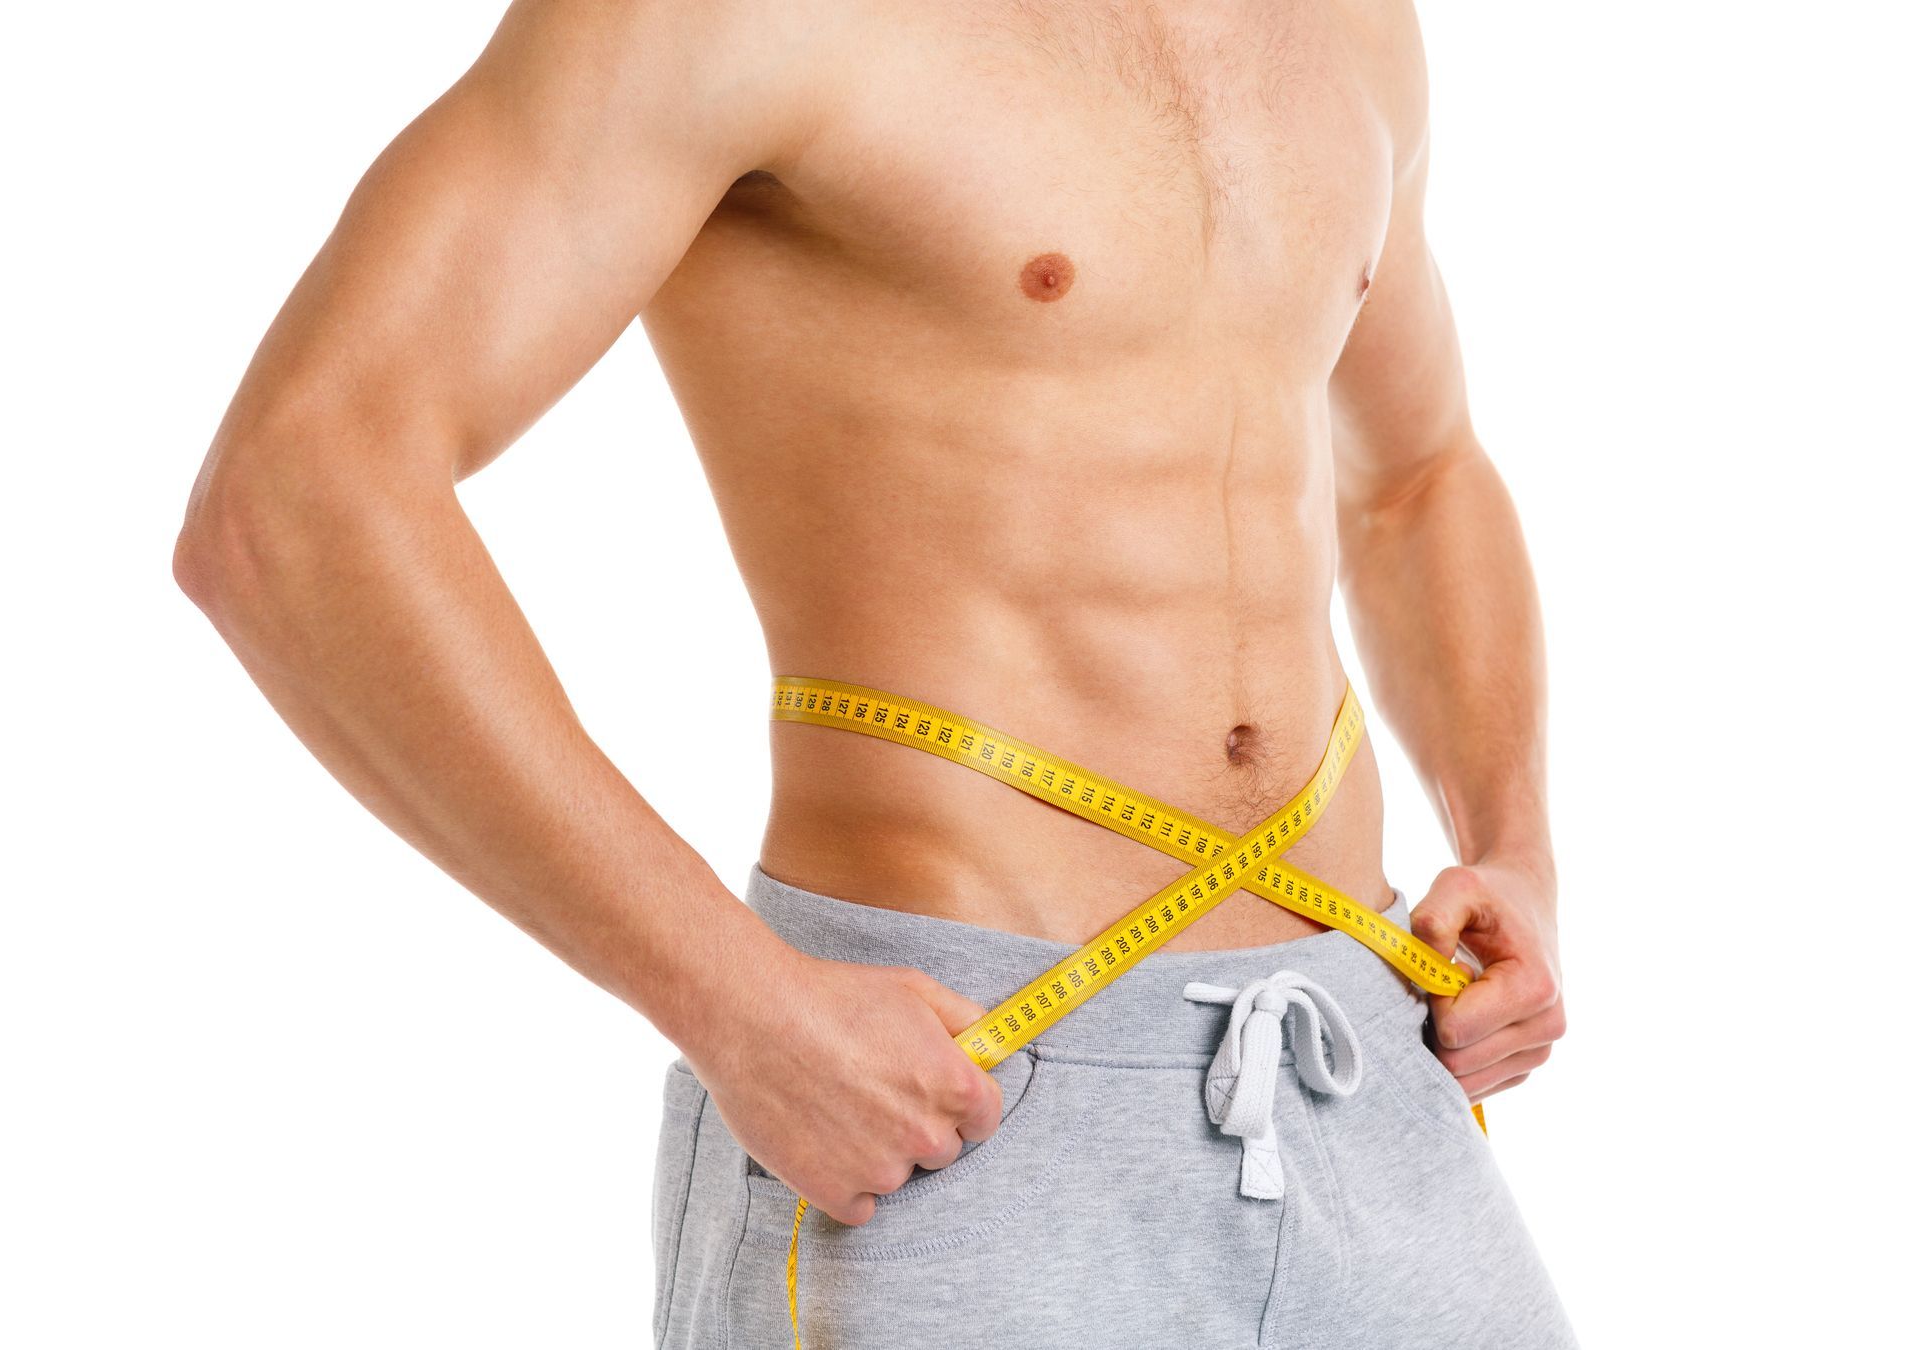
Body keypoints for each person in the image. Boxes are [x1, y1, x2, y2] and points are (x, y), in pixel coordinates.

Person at [174, 0, 1576, 1344]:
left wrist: (1514, 852)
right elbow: (297, 492)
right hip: (950, 1093)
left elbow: (1419, 477)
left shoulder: (1344, 18)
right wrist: (736, 1002)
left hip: (1365, 1041)